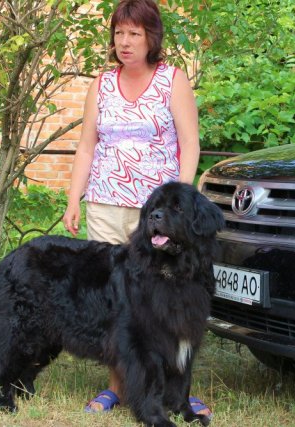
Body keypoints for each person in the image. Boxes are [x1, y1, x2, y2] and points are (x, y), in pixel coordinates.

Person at [61, 0, 211, 418]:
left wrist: (180, 200)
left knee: (166, 303)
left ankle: (173, 392)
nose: (124, 42)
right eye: (119, 33)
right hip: (107, 204)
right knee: (117, 304)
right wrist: (75, 197)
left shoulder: (172, 81)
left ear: (151, 38)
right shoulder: (102, 83)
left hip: (157, 215)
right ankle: (117, 387)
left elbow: (190, 142)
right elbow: (88, 144)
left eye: (134, 34)